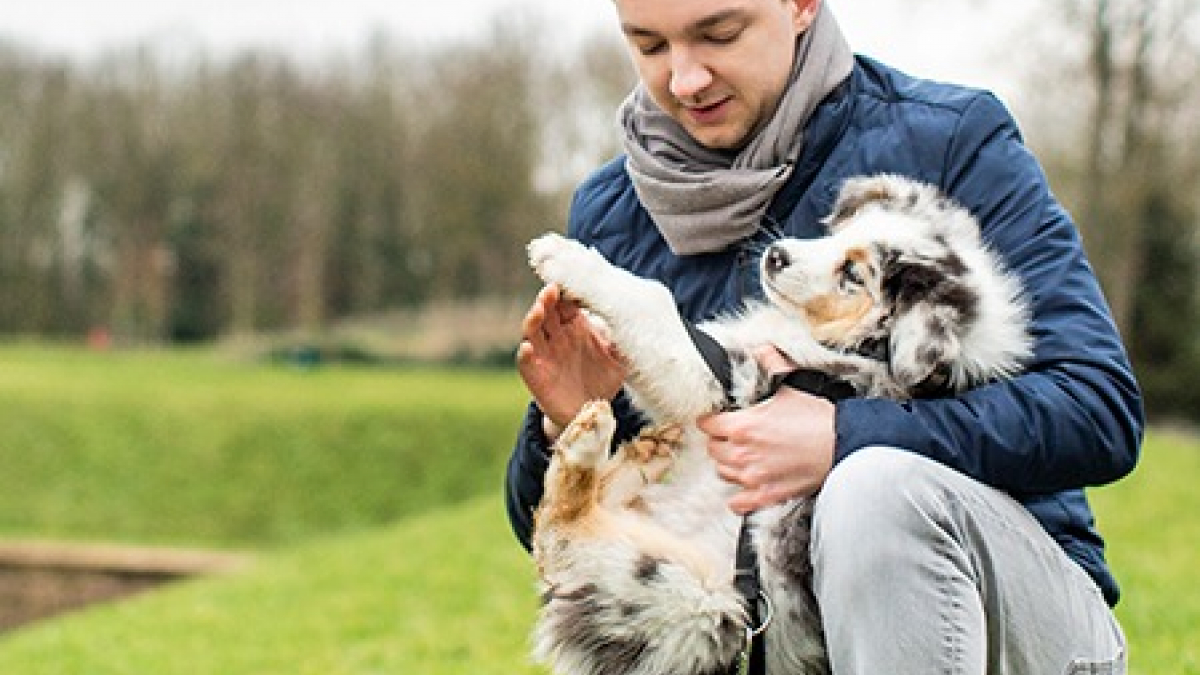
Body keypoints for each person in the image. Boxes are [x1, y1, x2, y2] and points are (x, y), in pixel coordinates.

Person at [505, 0, 1142, 672]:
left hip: (1010, 623)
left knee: (871, 489)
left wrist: (845, 436)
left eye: (719, 34)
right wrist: (567, 423)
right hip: (761, 641)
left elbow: (1096, 407)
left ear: (801, 5)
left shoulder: (950, 141)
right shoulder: (611, 212)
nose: (686, 79)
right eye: (649, 45)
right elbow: (557, 543)